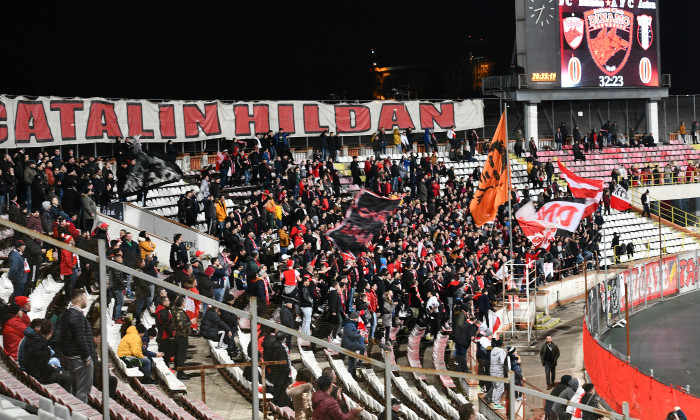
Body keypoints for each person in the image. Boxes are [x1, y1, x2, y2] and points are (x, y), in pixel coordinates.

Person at [59, 289, 93, 403]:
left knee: (75, 387)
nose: (86, 300)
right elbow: (80, 337)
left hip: (72, 356)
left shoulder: (68, 313)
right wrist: (87, 356)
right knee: (82, 389)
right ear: (79, 299)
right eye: (85, 297)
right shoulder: (76, 315)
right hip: (79, 358)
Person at [23, 318, 72, 391]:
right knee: (68, 377)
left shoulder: (33, 340)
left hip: (32, 371)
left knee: (65, 373)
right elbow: (42, 367)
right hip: (38, 376)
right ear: (51, 332)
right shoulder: (42, 346)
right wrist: (56, 371)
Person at [341, 312, 366, 380]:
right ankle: (359, 363)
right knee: (362, 348)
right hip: (350, 344)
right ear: (355, 318)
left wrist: (358, 332)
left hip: (351, 343)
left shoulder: (350, 324)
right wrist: (359, 335)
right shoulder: (349, 325)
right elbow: (352, 336)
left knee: (352, 360)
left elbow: (352, 333)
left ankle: (352, 376)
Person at [486, 339, 506, 409]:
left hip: (492, 370)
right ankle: (496, 403)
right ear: (501, 345)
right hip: (498, 371)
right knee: (500, 388)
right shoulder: (501, 352)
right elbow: (502, 362)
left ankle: (493, 402)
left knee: (495, 387)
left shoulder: (492, 350)